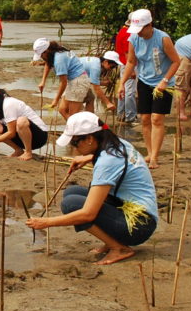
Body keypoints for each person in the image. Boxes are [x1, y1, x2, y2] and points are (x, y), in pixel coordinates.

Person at [25, 112, 158, 265]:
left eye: (75, 143)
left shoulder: (107, 162)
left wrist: (46, 222)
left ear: (89, 139)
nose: (74, 149)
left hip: (138, 225)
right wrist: (88, 157)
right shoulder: (117, 143)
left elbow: (88, 214)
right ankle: (111, 242)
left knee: (72, 204)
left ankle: (119, 248)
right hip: (135, 210)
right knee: (71, 192)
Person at [116, 9, 179, 169]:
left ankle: (155, 157)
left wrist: (164, 81)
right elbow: (131, 62)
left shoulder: (163, 39)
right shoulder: (134, 39)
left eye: (141, 29)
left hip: (163, 83)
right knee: (145, 119)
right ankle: (150, 152)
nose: (139, 33)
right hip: (144, 80)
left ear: (150, 25)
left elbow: (176, 62)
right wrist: (122, 83)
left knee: (157, 119)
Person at [0, 84, 49, 160]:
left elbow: (11, 133)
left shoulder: (8, 104)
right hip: (23, 138)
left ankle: (28, 152)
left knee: (21, 121)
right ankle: (18, 150)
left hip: (39, 137)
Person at [34, 39, 92, 119]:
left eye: (41, 55)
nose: (41, 57)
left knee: (73, 117)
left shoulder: (59, 59)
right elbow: (48, 62)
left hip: (78, 82)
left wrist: (56, 100)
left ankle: (78, 129)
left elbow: (63, 82)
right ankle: (75, 128)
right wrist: (43, 81)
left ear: (46, 51)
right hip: (73, 80)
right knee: (62, 110)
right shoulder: (55, 50)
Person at [113, 21, 137, 123]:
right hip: (128, 64)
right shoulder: (128, 33)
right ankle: (130, 116)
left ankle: (121, 114)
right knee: (130, 91)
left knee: (124, 89)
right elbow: (128, 53)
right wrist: (131, 70)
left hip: (122, 64)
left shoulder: (122, 31)